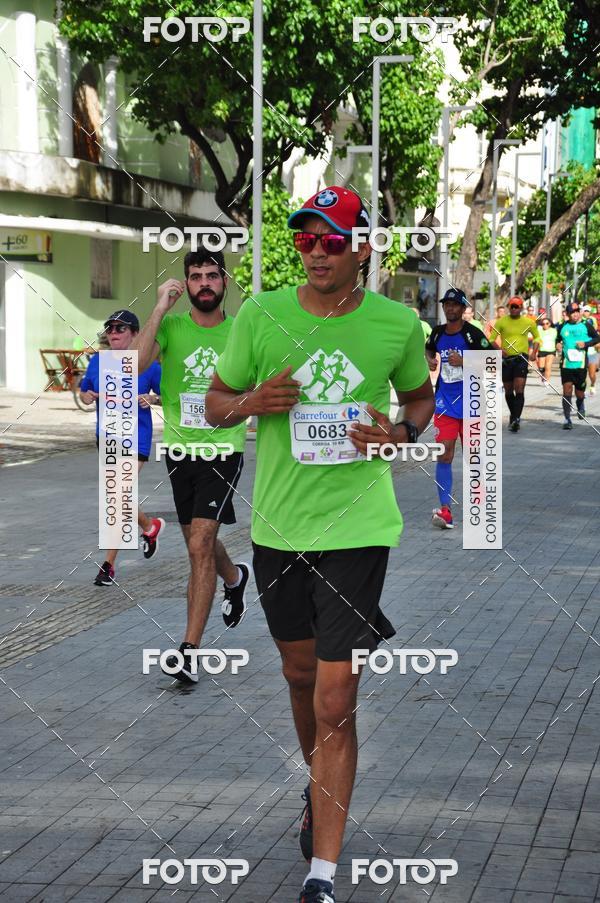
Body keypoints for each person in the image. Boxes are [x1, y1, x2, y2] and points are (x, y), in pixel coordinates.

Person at [205, 186, 434, 903]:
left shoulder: (397, 324)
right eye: (306, 239)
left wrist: (399, 433)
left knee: (337, 697)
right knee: (300, 675)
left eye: (332, 240)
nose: (317, 253)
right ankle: (318, 784)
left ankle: (322, 876)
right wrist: (252, 403)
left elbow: (420, 398)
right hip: (278, 532)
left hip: (359, 532)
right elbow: (214, 404)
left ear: (362, 247)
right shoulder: (261, 314)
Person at [130, 250, 250, 684]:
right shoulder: (172, 326)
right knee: (200, 543)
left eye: (212, 276)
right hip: (180, 453)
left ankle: (189, 651)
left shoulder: (241, 330)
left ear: (224, 282)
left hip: (224, 450)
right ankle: (234, 578)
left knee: (199, 542)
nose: (204, 283)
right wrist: (159, 309)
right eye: (196, 276)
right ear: (186, 283)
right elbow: (135, 365)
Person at [79, 310, 165, 585]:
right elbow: (84, 392)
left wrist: (152, 399)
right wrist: (87, 396)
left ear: (136, 334)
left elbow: (167, 394)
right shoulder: (98, 361)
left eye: (121, 328)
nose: (114, 333)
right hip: (107, 438)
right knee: (119, 497)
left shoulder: (148, 365)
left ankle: (108, 565)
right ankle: (149, 526)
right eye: (110, 328)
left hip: (136, 438)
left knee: (117, 498)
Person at [425, 288, 495, 529]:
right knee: (444, 454)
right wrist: (429, 359)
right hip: (444, 403)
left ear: (464, 308)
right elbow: (428, 348)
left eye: (455, 305)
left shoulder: (472, 334)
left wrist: (465, 361)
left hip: (472, 402)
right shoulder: (437, 333)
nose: (450, 308)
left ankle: (481, 505)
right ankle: (445, 510)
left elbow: (494, 361)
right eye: (447, 304)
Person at [489, 296, 539, 432]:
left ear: (521, 307)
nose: (514, 309)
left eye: (517, 306)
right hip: (506, 360)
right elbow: (491, 339)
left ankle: (516, 419)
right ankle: (514, 415)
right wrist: (499, 350)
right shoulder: (501, 322)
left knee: (519, 389)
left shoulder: (528, 322)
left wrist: (534, 352)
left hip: (521, 358)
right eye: (512, 306)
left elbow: (537, 338)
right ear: (509, 307)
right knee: (508, 391)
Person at [556, 302, 600, 429]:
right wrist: (557, 344)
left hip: (580, 365)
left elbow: (597, 338)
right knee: (567, 390)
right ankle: (567, 419)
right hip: (566, 364)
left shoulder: (586, 325)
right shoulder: (562, 326)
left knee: (580, 392)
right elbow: (557, 339)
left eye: (577, 312)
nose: (575, 314)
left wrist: (585, 344)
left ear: (579, 312)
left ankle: (580, 404)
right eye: (572, 312)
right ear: (567, 314)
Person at [582, 305, 600, 394]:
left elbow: (596, 333)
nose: (586, 313)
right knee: (582, 374)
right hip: (582, 352)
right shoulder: (580, 321)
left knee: (592, 374)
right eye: (585, 311)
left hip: (592, 351)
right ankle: (582, 390)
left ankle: (592, 384)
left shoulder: (593, 320)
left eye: (587, 311)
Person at [537, 316, 558, 386]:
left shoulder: (554, 330)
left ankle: (547, 380)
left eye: (547, 323)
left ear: (550, 324)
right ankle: (543, 376)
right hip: (542, 350)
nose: (545, 325)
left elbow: (558, 339)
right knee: (541, 368)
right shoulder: (539, 330)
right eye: (543, 324)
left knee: (548, 366)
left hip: (551, 350)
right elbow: (536, 340)